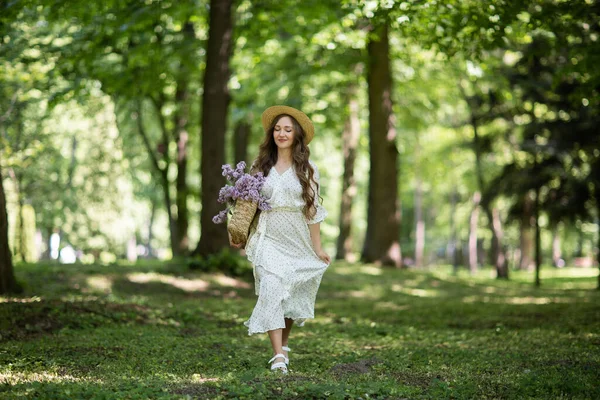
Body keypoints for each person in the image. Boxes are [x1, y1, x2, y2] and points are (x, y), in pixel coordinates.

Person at [229, 105, 331, 374]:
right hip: (267, 235)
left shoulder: (308, 168)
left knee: (288, 292)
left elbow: (312, 210)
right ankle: (277, 356)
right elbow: (246, 204)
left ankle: (283, 345)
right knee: (272, 287)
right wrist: (238, 232)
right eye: (277, 129)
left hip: (296, 237)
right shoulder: (260, 166)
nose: (281, 133)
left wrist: (317, 248)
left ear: (297, 134)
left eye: (287, 129)